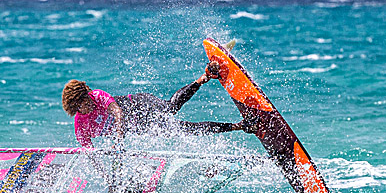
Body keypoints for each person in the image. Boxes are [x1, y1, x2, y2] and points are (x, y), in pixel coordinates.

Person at [61, 61, 253, 149]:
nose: (86, 107)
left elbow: (118, 113)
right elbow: (91, 154)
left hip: (139, 105)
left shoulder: (97, 96)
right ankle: (240, 126)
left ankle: (203, 78)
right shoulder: (81, 125)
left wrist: (118, 140)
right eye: (80, 106)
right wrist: (107, 177)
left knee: (171, 108)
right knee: (184, 130)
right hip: (143, 125)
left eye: (85, 101)